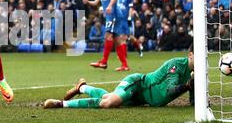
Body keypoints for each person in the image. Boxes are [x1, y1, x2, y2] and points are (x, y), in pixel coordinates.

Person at [44, 44, 195, 109]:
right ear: (190, 55)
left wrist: (194, 88)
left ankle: (82, 87)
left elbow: (193, 101)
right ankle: (61, 104)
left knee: (108, 97)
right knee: (108, 103)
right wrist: (188, 85)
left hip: (143, 98)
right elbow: (170, 91)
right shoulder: (175, 65)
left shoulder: (195, 72)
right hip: (137, 84)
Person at [83, 0, 118, 69]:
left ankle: (104, 61)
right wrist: (88, 2)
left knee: (109, 36)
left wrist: (110, 5)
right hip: (109, 16)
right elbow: (95, 2)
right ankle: (109, 62)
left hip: (113, 15)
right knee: (114, 38)